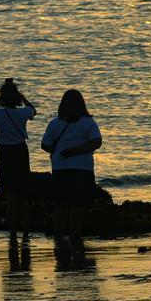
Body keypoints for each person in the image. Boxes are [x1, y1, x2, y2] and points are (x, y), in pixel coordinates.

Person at [41, 89, 103, 266]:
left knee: (61, 206)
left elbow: (45, 145)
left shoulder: (54, 124)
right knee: (79, 206)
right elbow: (96, 142)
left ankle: (59, 239)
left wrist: (62, 151)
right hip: (83, 169)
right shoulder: (88, 122)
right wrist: (78, 150)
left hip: (60, 169)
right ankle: (75, 238)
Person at [0, 78, 36, 246]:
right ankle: (25, 231)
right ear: (17, 98)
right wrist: (22, 97)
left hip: (4, 153)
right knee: (23, 194)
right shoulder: (23, 113)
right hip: (20, 152)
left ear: (2, 98)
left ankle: (13, 232)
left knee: (10, 195)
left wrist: (0, 99)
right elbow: (33, 111)